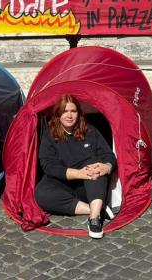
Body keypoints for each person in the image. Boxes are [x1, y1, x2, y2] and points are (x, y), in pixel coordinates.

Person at [35, 94, 116, 239]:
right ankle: (95, 209)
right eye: (64, 111)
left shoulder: (90, 131)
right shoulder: (49, 135)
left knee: (94, 168)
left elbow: (108, 155)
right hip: (65, 182)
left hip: (91, 184)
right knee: (41, 193)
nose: (69, 115)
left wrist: (107, 167)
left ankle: (95, 219)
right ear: (58, 114)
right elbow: (48, 165)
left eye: (73, 111)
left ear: (79, 113)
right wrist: (78, 173)